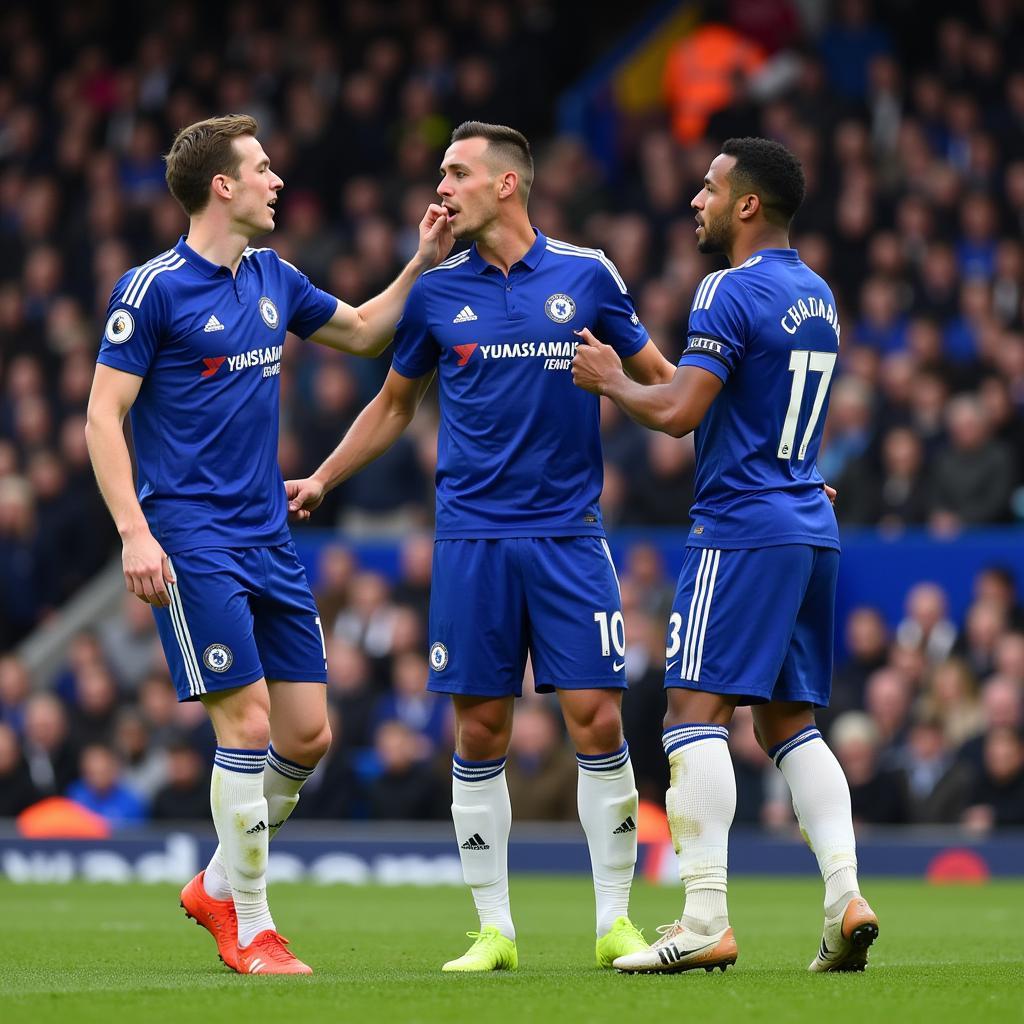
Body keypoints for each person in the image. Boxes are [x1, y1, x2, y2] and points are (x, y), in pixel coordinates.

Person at [285, 121, 676, 972]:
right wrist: (321, 477)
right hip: (470, 539)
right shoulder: (435, 290)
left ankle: (615, 920)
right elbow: (393, 405)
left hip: (570, 537)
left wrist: (766, 463)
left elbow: (670, 384)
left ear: (506, 185)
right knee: (481, 728)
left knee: (598, 716)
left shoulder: (589, 273)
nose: (442, 186)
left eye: (456, 172)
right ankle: (495, 928)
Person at [85, 114, 454, 976]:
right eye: (261, 167)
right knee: (246, 723)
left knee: (308, 736)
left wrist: (420, 263)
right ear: (223, 185)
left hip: (267, 531)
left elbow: (364, 331)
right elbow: (103, 416)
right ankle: (251, 927)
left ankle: (216, 881)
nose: (276, 180)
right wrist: (135, 532)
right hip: (188, 535)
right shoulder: (152, 290)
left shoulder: (274, 277)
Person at [571, 137, 878, 974]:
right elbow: (749, 407)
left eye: (708, 188)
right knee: (789, 723)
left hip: (741, 527)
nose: (696, 201)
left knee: (690, 718)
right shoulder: (818, 293)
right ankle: (845, 896)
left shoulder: (726, 288)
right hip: (809, 522)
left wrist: (610, 379)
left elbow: (676, 414)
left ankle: (704, 916)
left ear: (747, 205)